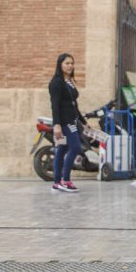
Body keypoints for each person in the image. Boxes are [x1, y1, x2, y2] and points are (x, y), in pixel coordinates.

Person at [48, 53, 85, 193]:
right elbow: (55, 105)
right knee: (75, 148)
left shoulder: (68, 81)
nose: (70, 66)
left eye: (72, 63)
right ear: (60, 65)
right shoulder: (57, 82)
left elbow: (73, 104)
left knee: (62, 149)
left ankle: (57, 183)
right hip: (65, 121)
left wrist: (83, 121)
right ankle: (65, 180)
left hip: (72, 119)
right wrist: (57, 125)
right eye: (67, 63)